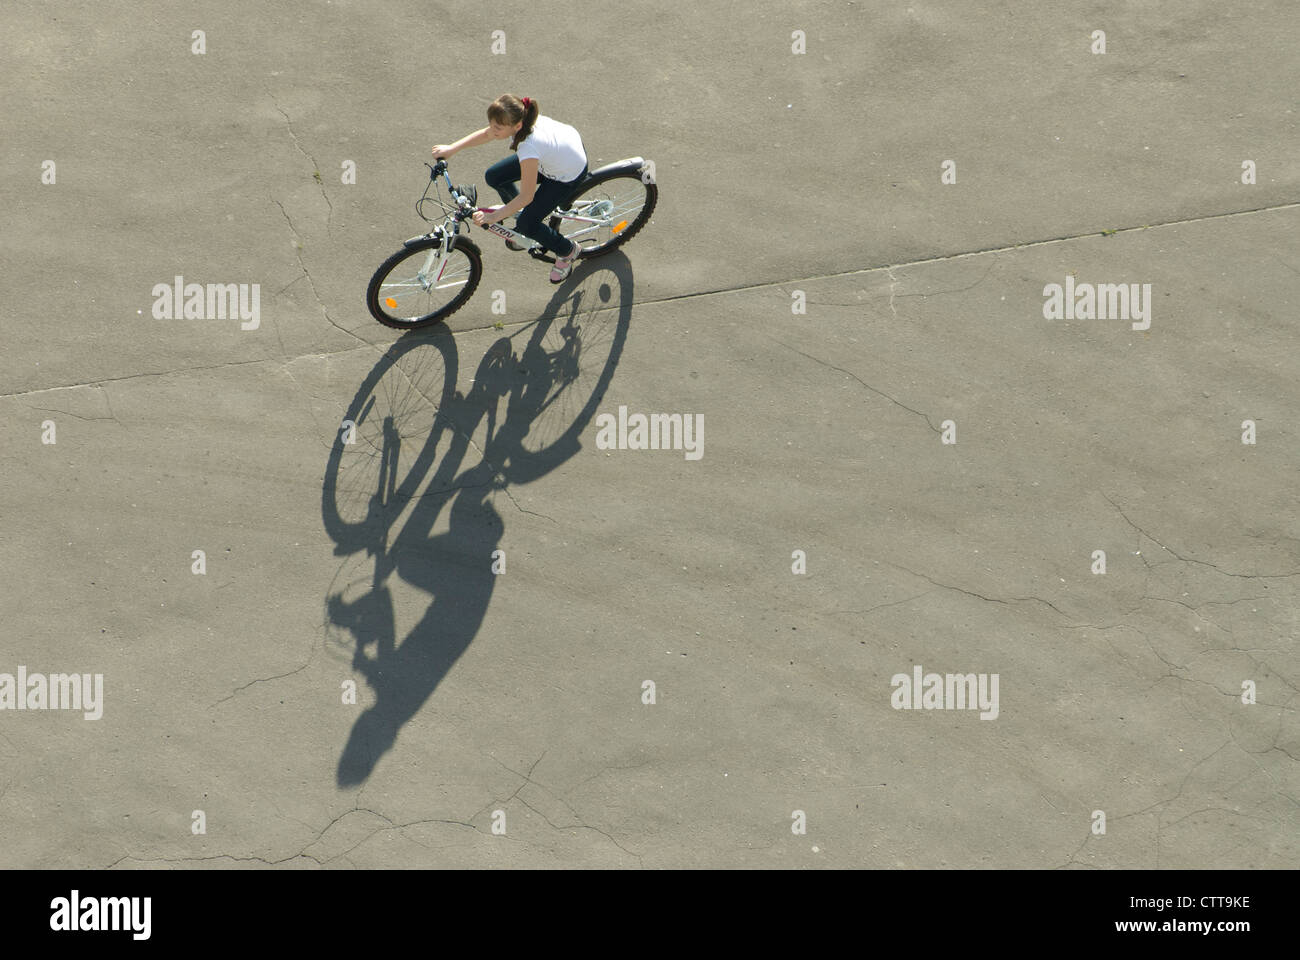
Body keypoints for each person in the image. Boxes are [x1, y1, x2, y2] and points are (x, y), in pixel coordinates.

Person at [432, 95, 588, 283]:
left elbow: (526, 196)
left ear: (517, 127)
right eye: (492, 124)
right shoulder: (521, 120)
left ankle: (568, 250)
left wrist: (492, 217)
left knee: (526, 224)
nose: (492, 130)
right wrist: (451, 149)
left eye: (498, 127)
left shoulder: (528, 147)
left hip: (566, 173)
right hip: (556, 154)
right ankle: (523, 215)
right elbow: (487, 134)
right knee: (494, 176)